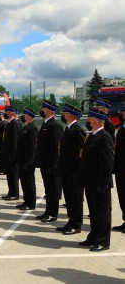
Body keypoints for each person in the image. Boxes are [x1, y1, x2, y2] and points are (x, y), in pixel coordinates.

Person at [77, 108, 114, 251]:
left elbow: (108, 163)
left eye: (89, 119)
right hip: (91, 181)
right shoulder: (92, 136)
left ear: (96, 121)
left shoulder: (105, 137)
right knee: (94, 211)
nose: (87, 121)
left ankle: (103, 241)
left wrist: (103, 183)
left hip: (100, 182)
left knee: (102, 212)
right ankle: (93, 236)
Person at [56, 103, 86, 235]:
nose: (63, 115)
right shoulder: (68, 129)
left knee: (76, 198)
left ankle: (76, 224)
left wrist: (77, 173)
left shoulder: (78, 130)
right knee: (69, 198)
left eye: (65, 113)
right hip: (66, 170)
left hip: (74, 171)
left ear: (72, 115)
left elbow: (80, 154)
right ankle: (71, 220)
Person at [34, 100, 64, 222]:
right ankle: (48, 211)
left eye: (44, 108)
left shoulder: (55, 125)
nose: (42, 110)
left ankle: (53, 213)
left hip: (51, 164)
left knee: (53, 189)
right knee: (48, 189)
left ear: (51, 111)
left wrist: (53, 164)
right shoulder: (45, 124)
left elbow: (56, 147)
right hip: (45, 162)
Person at [14, 107, 38, 210]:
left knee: (29, 182)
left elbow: (32, 147)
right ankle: (26, 201)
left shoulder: (32, 128)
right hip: (21, 159)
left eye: (24, 115)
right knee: (24, 182)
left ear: (29, 116)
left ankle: (31, 203)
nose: (22, 116)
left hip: (27, 161)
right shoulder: (25, 127)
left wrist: (29, 162)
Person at [2, 106, 22, 200]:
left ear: (12, 113)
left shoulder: (14, 123)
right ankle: (11, 192)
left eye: (7, 112)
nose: (6, 113)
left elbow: (15, 141)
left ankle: (14, 194)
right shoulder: (10, 123)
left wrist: (12, 155)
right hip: (8, 153)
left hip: (12, 155)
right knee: (9, 175)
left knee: (13, 175)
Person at [112, 106, 125, 233]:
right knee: (122, 195)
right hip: (120, 168)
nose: (120, 115)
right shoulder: (121, 129)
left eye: (122, 113)